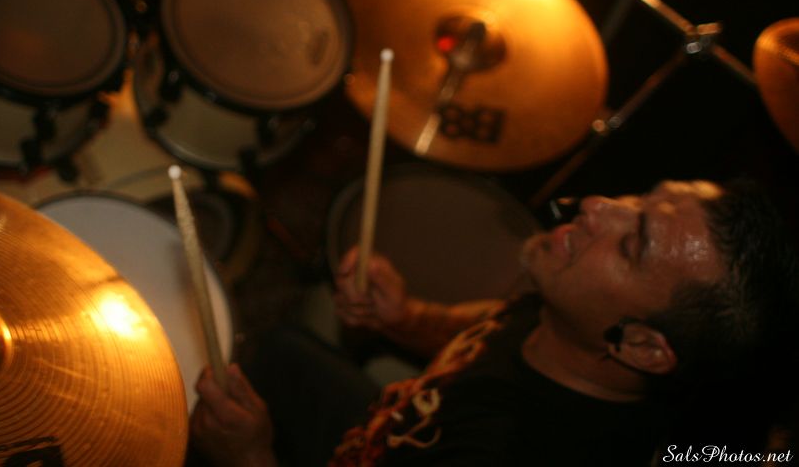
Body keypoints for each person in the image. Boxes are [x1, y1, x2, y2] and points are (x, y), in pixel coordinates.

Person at [187, 179, 799, 466]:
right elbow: (495, 323)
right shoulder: (574, 311)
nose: (598, 205)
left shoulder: (507, 452)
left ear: (641, 347)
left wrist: (248, 458)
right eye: (640, 199)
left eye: (631, 244)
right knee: (281, 352)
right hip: (384, 432)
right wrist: (407, 319)